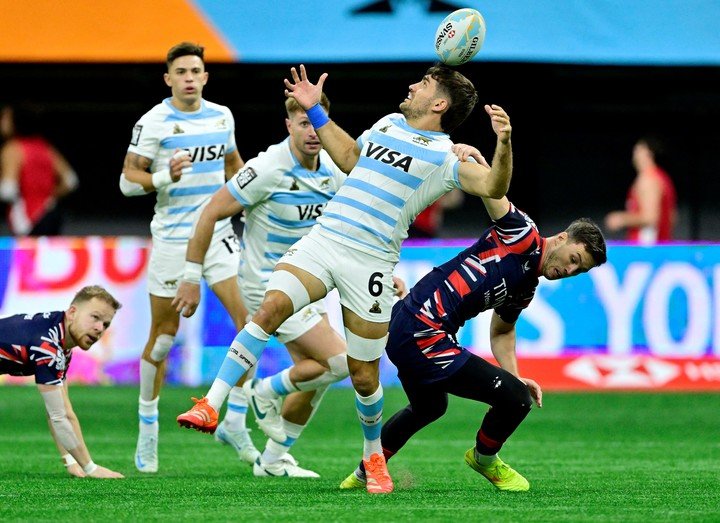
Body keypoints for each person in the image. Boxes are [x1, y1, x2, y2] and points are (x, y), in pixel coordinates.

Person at [177, 62, 514, 494]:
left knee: (362, 375)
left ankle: (374, 455)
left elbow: (491, 184)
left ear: (439, 103)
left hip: (371, 262)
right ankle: (211, 404)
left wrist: (502, 143)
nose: (411, 86)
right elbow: (352, 158)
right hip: (325, 240)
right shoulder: (389, 123)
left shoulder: (447, 159)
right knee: (270, 308)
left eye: (423, 84)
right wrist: (316, 110)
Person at [339, 148, 607, 492]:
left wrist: (515, 377)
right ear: (561, 239)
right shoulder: (522, 235)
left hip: (412, 327)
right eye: (573, 258)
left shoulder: (526, 288)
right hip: (423, 328)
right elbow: (492, 191)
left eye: (577, 270)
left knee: (430, 406)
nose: (568, 270)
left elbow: (503, 332)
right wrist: (476, 156)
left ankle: (363, 471)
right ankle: (484, 459)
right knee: (515, 400)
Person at [173, 94, 350, 478]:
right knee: (339, 361)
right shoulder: (268, 167)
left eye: (316, 122)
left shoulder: (334, 170)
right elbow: (211, 212)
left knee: (315, 372)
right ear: (288, 125)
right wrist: (190, 276)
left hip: (308, 283)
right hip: (268, 285)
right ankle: (262, 392)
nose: (312, 131)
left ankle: (272, 459)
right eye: (302, 123)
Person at [119, 42, 253, 474]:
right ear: (168, 79)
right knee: (163, 338)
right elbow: (127, 182)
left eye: (196, 70)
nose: (190, 77)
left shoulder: (221, 116)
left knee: (250, 322)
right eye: (181, 71)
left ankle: (234, 419)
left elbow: (234, 166)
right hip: (174, 242)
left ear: (206, 77)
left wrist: (256, 201)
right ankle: (147, 423)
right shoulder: (154, 122)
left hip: (217, 236)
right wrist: (163, 175)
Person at [0, 285, 124, 478]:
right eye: (95, 317)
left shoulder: (60, 342)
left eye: (106, 324)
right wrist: (91, 468)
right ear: (73, 312)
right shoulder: (48, 346)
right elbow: (60, 417)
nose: (100, 328)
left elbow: (61, 411)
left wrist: (71, 461)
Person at [0, 103, 79, 235]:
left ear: (16, 120)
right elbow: (71, 181)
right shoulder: (45, 148)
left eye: (5, 118)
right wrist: (47, 197)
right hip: (51, 214)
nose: (2, 122)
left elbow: (8, 191)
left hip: (27, 221)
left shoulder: (12, 149)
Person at [604, 136, 677, 244]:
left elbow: (651, 217)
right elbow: (673, 216)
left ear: (649, 153)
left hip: (645, 248)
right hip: (661, 245)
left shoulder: (648, 180)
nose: (634, 154)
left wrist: (620, 219)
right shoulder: (662, 178)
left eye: (638, 150)